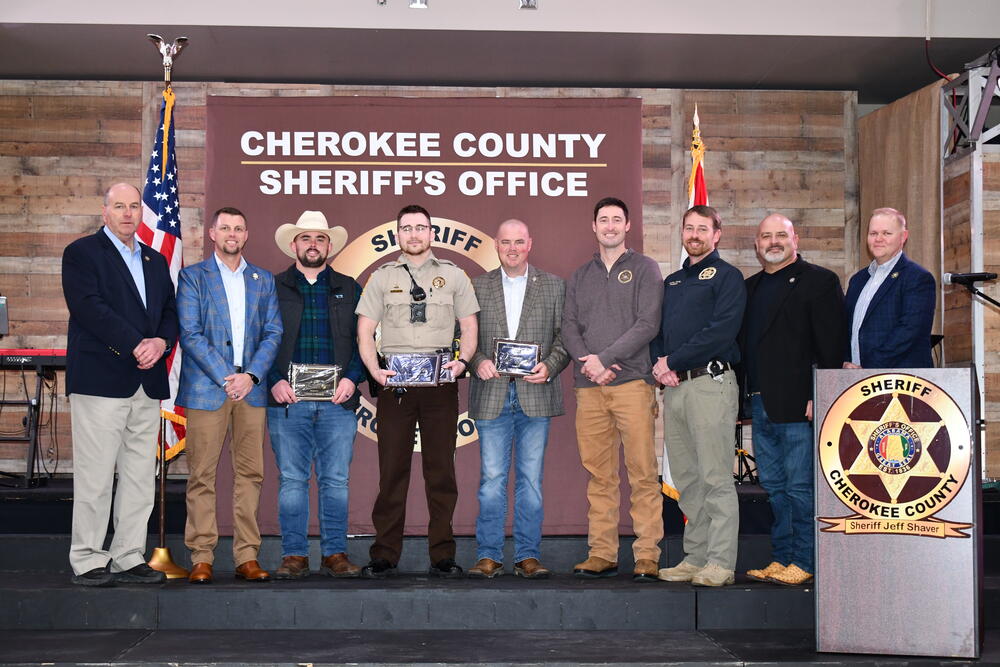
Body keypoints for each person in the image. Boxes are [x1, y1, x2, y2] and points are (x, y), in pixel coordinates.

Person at [61, 183, 178, 586]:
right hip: (100, 379)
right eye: (119, 206)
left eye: (133, 206)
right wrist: (136, 345)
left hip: (147, 382)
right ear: (105, 210)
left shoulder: (155, 259)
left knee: (139, 476)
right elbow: (89, 308)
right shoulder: (81, 254)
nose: (128, 213)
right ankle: (88, 557)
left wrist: (161, 342)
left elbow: (169, 311)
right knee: (95, 475)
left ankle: (127, 554)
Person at [355, 204, 479, 578]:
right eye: (406, 228)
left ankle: (443, 554)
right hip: (396, 387)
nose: (413, 234)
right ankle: (384, 553)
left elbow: (469, 327)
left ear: (432, 234)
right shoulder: (381, 277)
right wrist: (375, 370)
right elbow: (364, 331)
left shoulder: (455, 276)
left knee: (441, 473)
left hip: (441, 384)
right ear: (397, 235)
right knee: (392, 472)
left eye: (420, 228)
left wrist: (463, 361)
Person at [176, 206, 282, 584]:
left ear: (246, 234)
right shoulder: (192, 278)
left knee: (251, 474)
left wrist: (250, 375)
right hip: (210, 389)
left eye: (238, 228)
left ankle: (246, 555)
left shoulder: (263, 280)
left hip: (251, 391)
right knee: (202, 475)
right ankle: (202, 555)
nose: (232, 234)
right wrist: (227, 376)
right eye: (225, 228)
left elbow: (273, 333)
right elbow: (190, 334)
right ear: (212, 233)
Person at [739, 213, 846, 586]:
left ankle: (805, 559)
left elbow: (832, 345)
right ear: (757, 244)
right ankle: (782, 557)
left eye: (780, 235)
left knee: (800, 488)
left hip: (800, 404)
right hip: (760, 403)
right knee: (775, 487)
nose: (773, 242)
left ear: (795, 239)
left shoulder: (819, 281)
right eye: (765, 236)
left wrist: (820, 394)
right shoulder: (749, 289)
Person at [562, 196, 664, 582]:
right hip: (589, 388)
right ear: (594, 226)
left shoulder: (645, 268)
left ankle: (647, 555)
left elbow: (647, 324)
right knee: (599, 476)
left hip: (632, 385)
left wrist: (604, 358)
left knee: (641, 472)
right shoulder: (580, 275)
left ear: (628, 225)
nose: (609, 226)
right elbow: (568, 325)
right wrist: (590, 362)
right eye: (603, 220)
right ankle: (602, 553)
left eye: (616, 220)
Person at [466, 219, 570, 579]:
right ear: (496, 245)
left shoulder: (555, 286)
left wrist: (551, 366)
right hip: (492, 392)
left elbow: (564, 338)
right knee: (491, 480)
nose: (512, 248)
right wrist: (477, 361)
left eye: (519, 242)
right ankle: (489, 555)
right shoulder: (476, 287)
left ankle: (528, 555)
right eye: (506, 242)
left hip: (535, 393)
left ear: (530, 244)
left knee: (531, 481)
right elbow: (461, 336)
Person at [267, 211, 364, 579]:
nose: (313, 244)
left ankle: (335, 553)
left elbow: (365, 340)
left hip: (338, 402)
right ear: (294, 245)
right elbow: (262, 339)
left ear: (329, 246)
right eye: (306, 238)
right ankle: (294, 554)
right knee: (292, 480)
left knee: (336, 480)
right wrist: (274, 379)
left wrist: (353, 379)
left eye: (320, 239)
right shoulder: (271, 286)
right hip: (287, 402)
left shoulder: (350, 287)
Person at [653, 205, 745, 587]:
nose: (694, 234)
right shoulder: (673, 281)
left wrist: (673, 360)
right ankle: (696, 557)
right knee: (688, 479)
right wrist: (660, 365)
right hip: (675, 388)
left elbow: (721, 331)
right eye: (689, 228)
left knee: (715, 477)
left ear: (716, 234)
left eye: (702, 229)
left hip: (710, 384)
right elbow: (657, 330)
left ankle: (721, 562)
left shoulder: (728, 277)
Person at [844, 207, 936, 369]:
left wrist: (867, 367)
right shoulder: (857, 280)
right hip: (856, 381)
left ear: (903, 237)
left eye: (887, 233)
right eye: (873, 233)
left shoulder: (918, 278)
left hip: (902, 381)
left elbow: (909, 331)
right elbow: (845, 327)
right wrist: (844, 361)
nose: (878, 239)